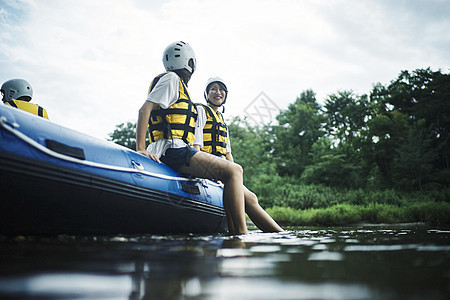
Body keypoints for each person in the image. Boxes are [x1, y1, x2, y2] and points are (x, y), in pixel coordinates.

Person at [136, 41, 252, 234]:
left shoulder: (177, 84)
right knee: (234, 170)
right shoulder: (172, 80)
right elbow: (144, 109)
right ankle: (241, 234)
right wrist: (140, 148)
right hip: (173, 150)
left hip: (176, 148)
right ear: (189, 62)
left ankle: (236, 233)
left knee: (233, 171)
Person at [194, 77, 283, 232]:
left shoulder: (222, 121)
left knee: (251, 198)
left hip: (224, 169)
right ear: (206, 93)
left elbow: (228, 155)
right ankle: (242, 233)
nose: (218, 92)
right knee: (248, 197)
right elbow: (196, 145)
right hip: (208, 166)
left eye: (221, 89)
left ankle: (281, 235)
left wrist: (236, 180)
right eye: (213, 89)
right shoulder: (201, 111)